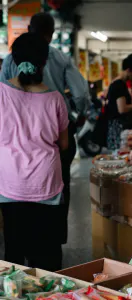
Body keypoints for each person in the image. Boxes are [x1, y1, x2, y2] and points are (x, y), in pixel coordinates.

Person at [1, 12, 90, 245]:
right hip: (47, 172)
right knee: (48, 241)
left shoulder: (3, 89)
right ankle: (55, 238)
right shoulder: (55, 94)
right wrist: (78, 116)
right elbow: (80, 94)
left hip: (10, 178)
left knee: (14, 245)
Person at [0, 33, 68, 270]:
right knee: (47, 253)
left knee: (14, 252)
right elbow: (64, 144)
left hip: (10, 185)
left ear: (14, 60)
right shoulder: (56, 99)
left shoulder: (0, 93)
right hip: (46, 183)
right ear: (44, 62)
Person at [106, 54, 132, 150]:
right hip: (119, 129)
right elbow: (122, 109)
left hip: (117, 127)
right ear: (129, 71)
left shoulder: (118, 83)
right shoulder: (119, 85)